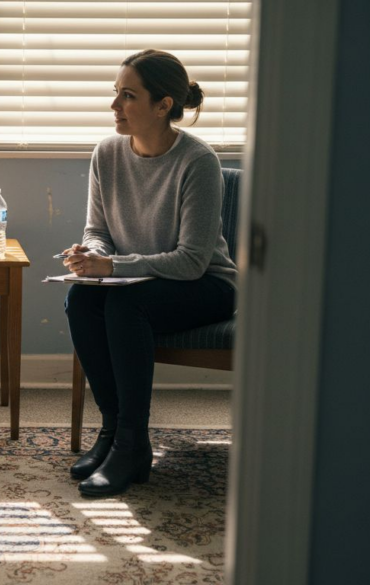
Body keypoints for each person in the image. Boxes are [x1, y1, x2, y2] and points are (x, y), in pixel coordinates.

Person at [60, 49, 237, 497]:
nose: (114, 106)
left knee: (124, 303)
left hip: (207, 284)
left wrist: (113, 265)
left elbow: (193, 260)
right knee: (81, 297)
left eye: (128, 96)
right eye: (115, 94)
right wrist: (90, 254)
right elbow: (98, 230)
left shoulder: (198, 161)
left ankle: (133, 443)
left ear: (163, 106)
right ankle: (113, 431)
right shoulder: (107, 153)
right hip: (136, 282)